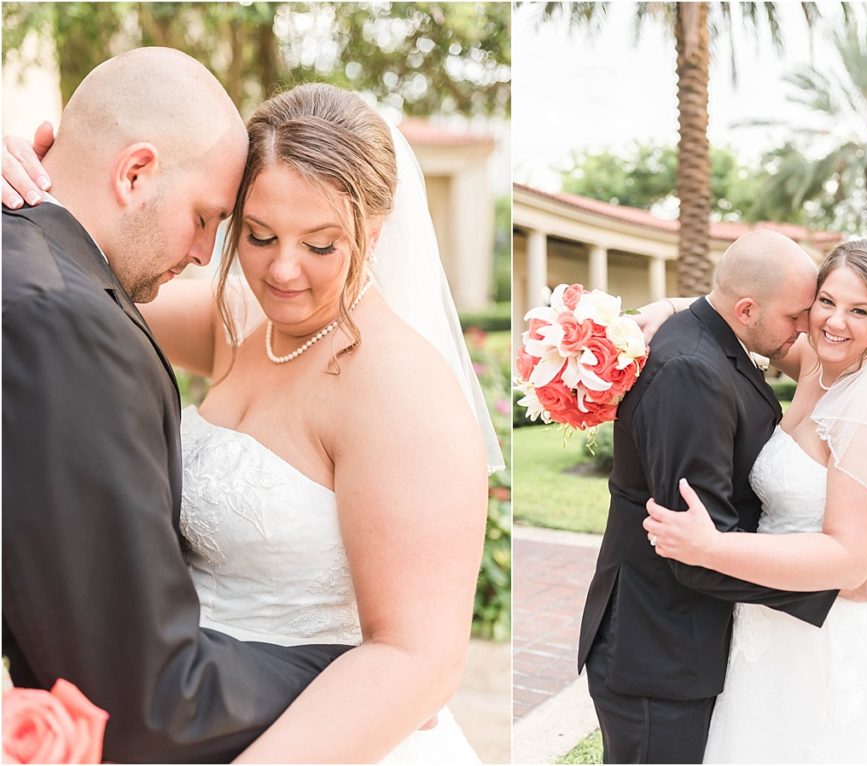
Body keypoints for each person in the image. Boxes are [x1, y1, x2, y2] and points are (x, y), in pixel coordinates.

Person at [4, 52, 502, 763]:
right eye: (257, 235)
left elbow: (419, 658)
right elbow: (77, 283)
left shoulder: (401, 390)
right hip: (176, 698)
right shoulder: (237, 318)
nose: (282, 269)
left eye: (322, 243)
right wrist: (27, 189)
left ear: (376, 231)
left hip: (309, 736)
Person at [2, 48, 349, 763]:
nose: (204, 253)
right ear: (135, 173)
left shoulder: (23, 258)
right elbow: (142, 698)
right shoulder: (69, 323)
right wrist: (347, 670)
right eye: (205, 218)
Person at [641, 239, 867, 763]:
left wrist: (709, 547)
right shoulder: (817, 365)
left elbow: (850, 561)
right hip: (769, 621)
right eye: (826, 301)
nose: (834, 322)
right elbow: (744, 313)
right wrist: (672, 308)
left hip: (836, 636)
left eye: (859, 311)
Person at [575, 230, 867, 764]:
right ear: (746, 308)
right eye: (812, 309)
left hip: (717, 637)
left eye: (858, 310)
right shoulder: (692, 371)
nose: (812, 329)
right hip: (661, 646)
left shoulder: (745, 344)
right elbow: (693, 549)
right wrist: (837, 586)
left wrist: (681, 305)